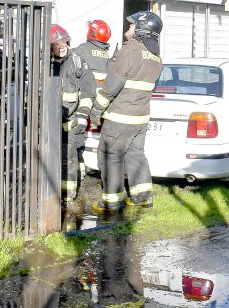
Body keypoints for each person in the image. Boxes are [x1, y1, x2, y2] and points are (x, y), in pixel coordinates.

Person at [89, 11, 163, 212]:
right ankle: (143, 197)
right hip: (140, 119)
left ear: (140, 30)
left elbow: (112, 85)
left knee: (110, 155)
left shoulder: (128, 51)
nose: (127, 29)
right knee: (136, 154)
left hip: (119, 118)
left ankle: (112, 201)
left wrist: (96, 110)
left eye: (131, 26)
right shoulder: (156, 57)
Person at [49, 24, 95, 205]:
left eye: (64, 42)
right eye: (57, 43)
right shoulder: (44, 63)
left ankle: (67, 195)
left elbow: (88, 91)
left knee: (68, 158)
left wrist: (83, 115)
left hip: (72, 120)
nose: (62, 46)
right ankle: (50, 192)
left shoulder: (77, 62)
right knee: (50, 157)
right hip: (50, 121)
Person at [71, 19, 113, 177]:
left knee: (76, 139)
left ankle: (77, 170)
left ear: (92, 33)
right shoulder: (106, 54)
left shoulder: (81, 50)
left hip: (83, 103)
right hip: (101, 105)